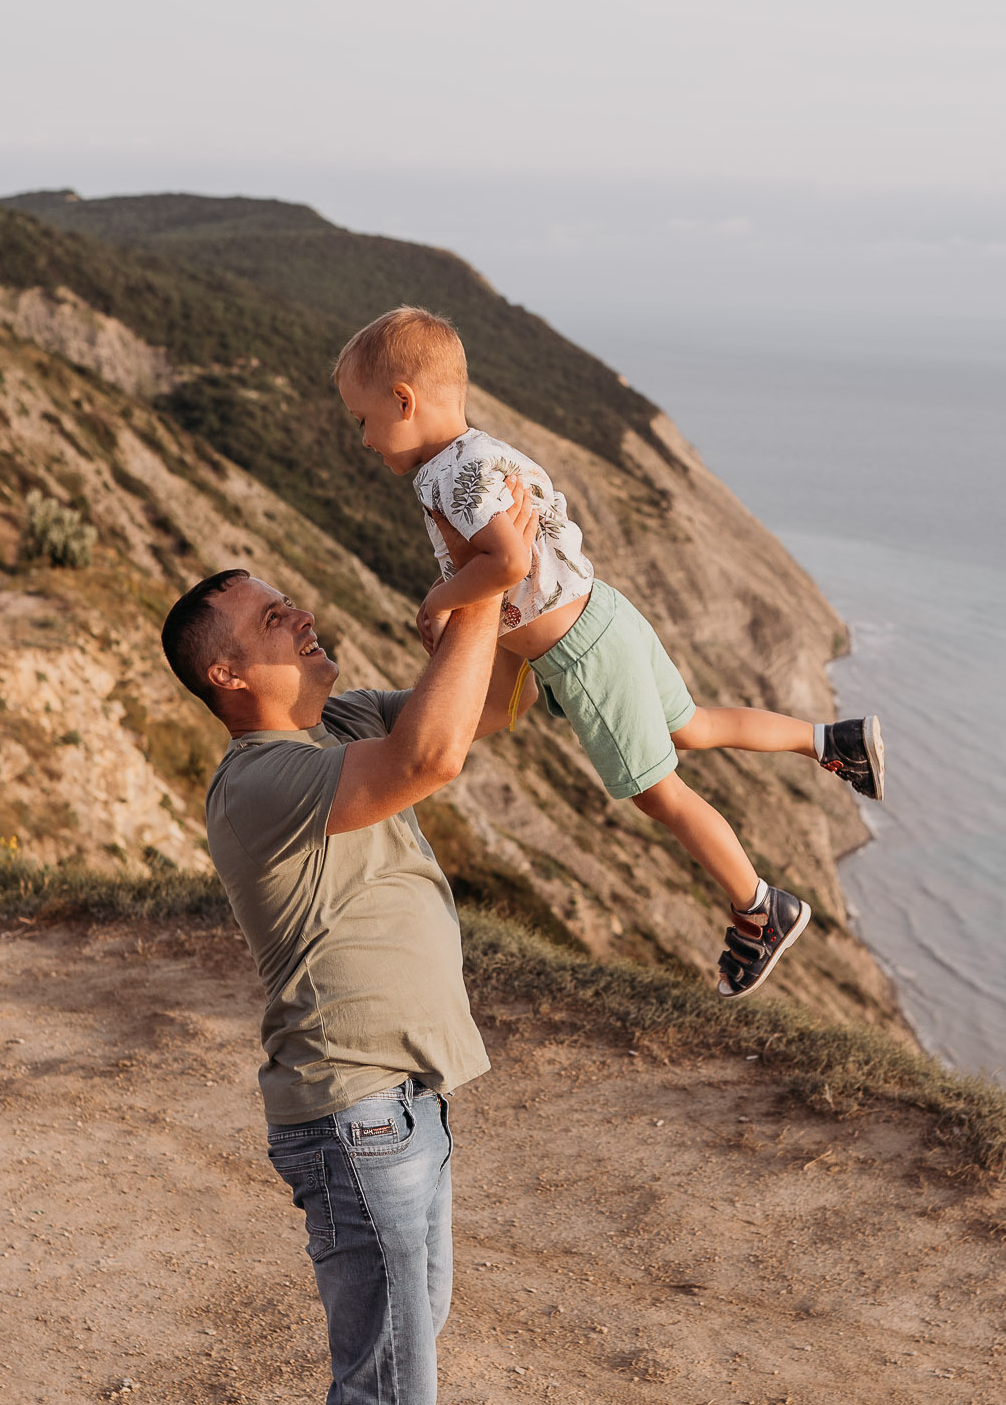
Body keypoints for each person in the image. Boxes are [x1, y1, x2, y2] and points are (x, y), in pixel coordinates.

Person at [160, 484, 539, 1405]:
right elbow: (428, 758)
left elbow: (485, 711)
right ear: (230, 676)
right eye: (276, 616)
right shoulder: (258, 781)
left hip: (407, 1099)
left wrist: (492, 586)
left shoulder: (338, 726)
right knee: (383, 1369)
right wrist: (475, 583)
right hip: (353, 1108)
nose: (303, 614)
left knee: (406, 1333)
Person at [334, 305, 886, 1002]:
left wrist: (435, 601)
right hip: (600, 617)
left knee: (659, 792)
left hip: (577, 655)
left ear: (402, 401)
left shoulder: (451, 475)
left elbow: (504, 563)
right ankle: (828, 742)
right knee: (687, 726)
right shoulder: (485, 451)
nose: (362, 439)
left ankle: (758, 907)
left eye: (361, 419)